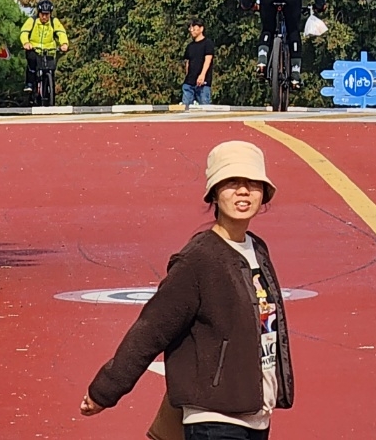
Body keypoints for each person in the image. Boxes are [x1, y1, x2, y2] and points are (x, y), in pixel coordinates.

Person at [80, 140, 294, 440]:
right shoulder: (198, 260)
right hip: (215, 417)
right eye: (231, 183)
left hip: (256, 414)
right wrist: (106, 389)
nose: (243, 191)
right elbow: (152, 328)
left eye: (252, 184)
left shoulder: (257, 249)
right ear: (215, 194)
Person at [21, 0, 68, 95]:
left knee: (51, 68)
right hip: (34, 50)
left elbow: (61, 33)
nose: (44, 16)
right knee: (31, 61)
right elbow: (24, 32)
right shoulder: (32, 20)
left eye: (47, 14)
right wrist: (26, 43)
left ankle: (49, 87)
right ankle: (29, 83)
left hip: (49, 50)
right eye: (42, 14)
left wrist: (64, 44)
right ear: (39, 13)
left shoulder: (54, 21)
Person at [182, 19, 215, 110]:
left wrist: (202, 75)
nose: (191, 30)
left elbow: (208, 59)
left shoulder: (207, 43)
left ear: (201, 28)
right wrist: (187, 75)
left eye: (194, 27)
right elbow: (188, 62)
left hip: (203, 83)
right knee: (185, 109)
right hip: (189, 83)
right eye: (190, 28)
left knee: (205, 109)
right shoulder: (190, 46)